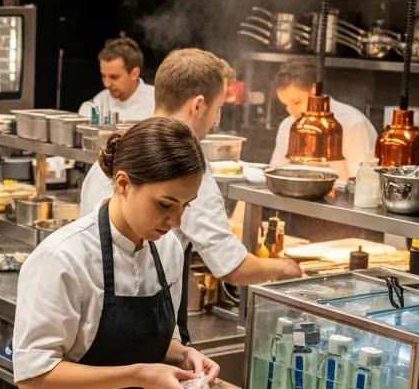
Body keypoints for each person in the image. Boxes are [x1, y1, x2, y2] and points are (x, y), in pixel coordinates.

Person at [12, 118, 220, 389]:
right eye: (164, 204)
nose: (175, 221)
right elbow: (33, 376)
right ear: (123, 183)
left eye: (184, 207)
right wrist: (139, 375)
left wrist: (184, 355)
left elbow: (157, 338)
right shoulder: (64, 258)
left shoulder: (168, 248)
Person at [81, 49, 302, 290]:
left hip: (99, 296)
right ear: (197, 105)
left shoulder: (123, 145)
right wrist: (284, 267)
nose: (216, 119)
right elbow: (231, 265)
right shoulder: (186, 167)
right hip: (141, 300)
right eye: (218, 108)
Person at [269, 59, 377, 178]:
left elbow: (361, 181)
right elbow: (277, 171)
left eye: (297, 102)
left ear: (314, 90)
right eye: (285, 104)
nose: (291, 111)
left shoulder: (354, 124)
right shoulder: (288, 125)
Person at [78, 37, 155, 124]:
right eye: (103, 76)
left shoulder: (157, 101)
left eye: (114, 77)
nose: (107, 84)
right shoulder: (99, 102)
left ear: (134, 74)